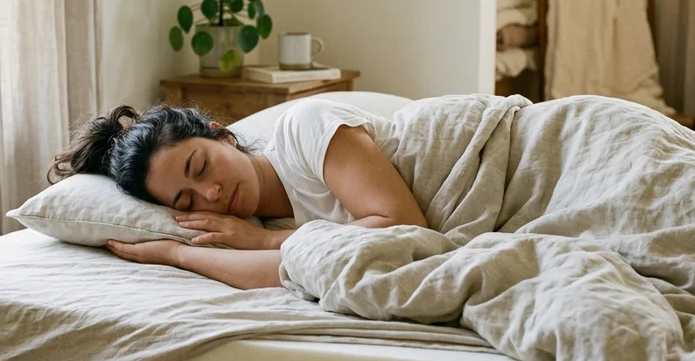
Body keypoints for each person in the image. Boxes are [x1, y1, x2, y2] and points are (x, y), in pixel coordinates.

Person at [51, 100, 426, 290]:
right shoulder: (261, 227)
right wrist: (177, 253)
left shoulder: (304, 128)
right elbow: (291, 270)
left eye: (201, 167)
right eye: (187, 202)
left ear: (223, 135)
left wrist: (265, 240)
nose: (211, 194)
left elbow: (404, 226)